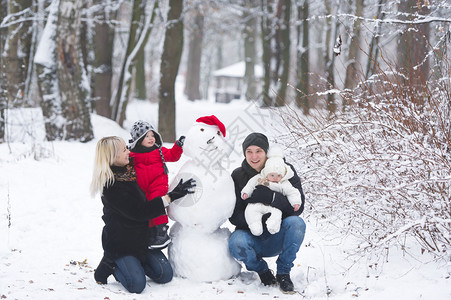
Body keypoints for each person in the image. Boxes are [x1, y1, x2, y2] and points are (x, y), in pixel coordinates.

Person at [90, 136, 195, 294]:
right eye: (124, 150)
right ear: (112, 157)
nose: (128, 152)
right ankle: (111, 264)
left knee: (165, 274)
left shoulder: (129, 170)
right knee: (136, 285)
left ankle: (134, 264)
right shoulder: (111, 185)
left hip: (141, 240)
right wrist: (171, 196)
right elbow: (139, 212)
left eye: (127, 147)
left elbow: (150, 158)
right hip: (121, 245)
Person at [228, 133, 306, 294]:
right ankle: (262, 271)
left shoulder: (284, 170)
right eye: (249, 151)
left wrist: (272, 198)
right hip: (251, 237)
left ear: (266, 152)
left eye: (259, 151)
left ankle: (283, 273)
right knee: (236, 241)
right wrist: (256, 220)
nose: (254, 156)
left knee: (297, 224)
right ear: (244, 153)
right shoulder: (237, 176)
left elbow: (299, 207)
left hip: (277, 232)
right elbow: (233, 215)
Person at [128, 120, 185, 249]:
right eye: (146, 136)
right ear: (138, 139)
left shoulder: (159, 151)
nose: (151, 138)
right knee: (145, 207)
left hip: (158, 184)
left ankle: (161, 232)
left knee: (157, 203)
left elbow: (172, 156)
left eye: (152, 135)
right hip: (142, 187)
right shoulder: (132, 155)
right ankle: (150, 234)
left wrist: (178, 146)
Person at [241, 146, 301, 236]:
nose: (275, 178)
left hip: (273, 207)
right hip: (257, 205)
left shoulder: (284, 183)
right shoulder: (260, 178)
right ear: (266, 173)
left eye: (278, 175)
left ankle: (273, 225)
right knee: (250, 210)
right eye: (272, 175)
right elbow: (250, 184)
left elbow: (292, 192)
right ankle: (255, 225)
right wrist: (246, 193)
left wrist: (295, 202)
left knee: (277, 213)